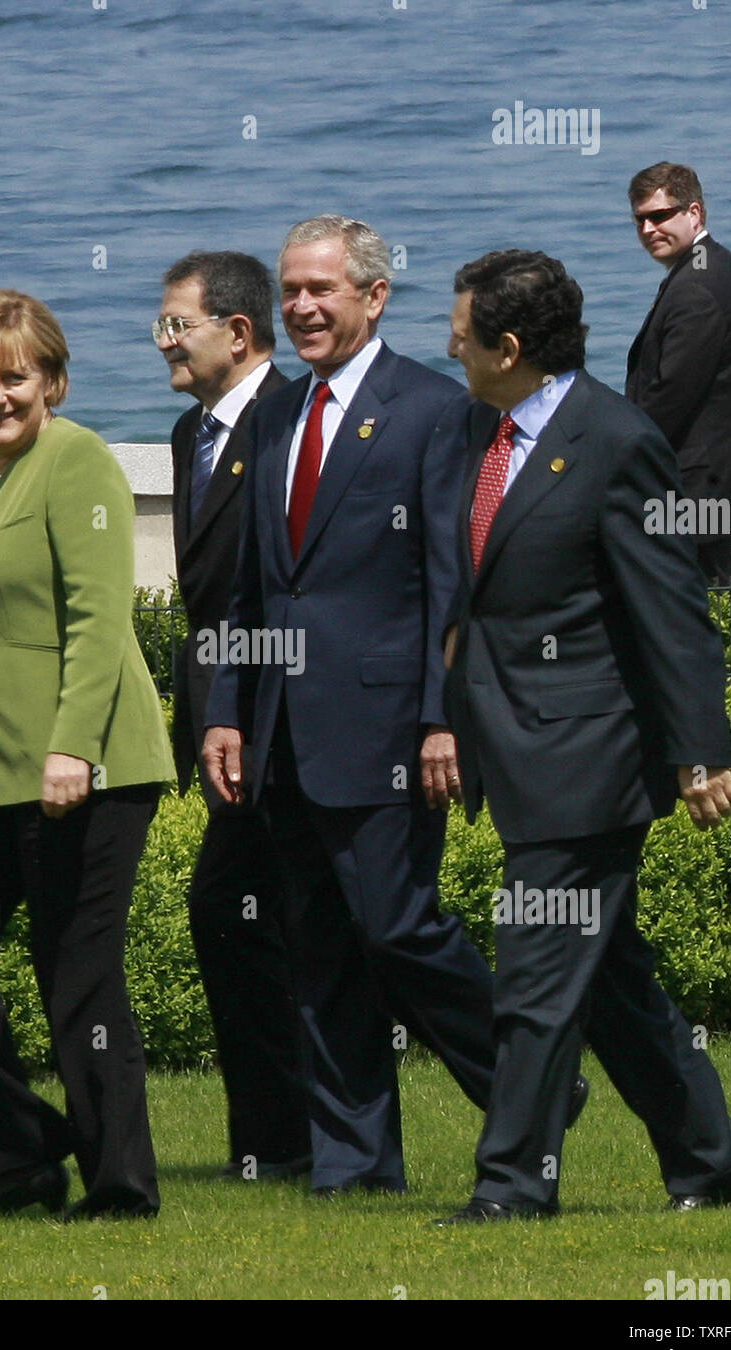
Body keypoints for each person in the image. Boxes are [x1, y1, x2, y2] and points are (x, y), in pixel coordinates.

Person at [203, 216, 584, 1195]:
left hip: (389, 728)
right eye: (290, 289)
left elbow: (451, 582)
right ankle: (356, 1161)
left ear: (375, 296)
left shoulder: (429, 409)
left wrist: (441, 716)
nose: (300, 307)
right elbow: (255, 587)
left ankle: (531, 1084)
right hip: (285, 728)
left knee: (398, 927)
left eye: (321, 289)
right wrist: (226, 708)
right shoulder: (277, 417)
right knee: (320, 947)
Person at [439, 248, 731, 1222]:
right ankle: (717, 1167)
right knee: (613, 984)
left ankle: (511, 1187)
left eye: (462, 330)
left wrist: (701, 746)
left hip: (590, 760)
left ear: (508, 345)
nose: (449, 342)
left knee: (535, 977)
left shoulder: (617, 439)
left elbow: (671, 608)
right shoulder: (479, 429)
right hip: (518, 747)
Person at [0, 289, 175, 1220]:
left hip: (88, 766)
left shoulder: (79, 461)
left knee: (77, 978)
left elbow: (100, 622)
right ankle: (21, 1153)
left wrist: (72, 750)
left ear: (51, 379)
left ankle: (121, 1186)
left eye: (14, 377)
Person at [156, 250, 308, 1179]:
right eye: (163, 327)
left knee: (248, 909)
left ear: (238, 333)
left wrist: (242, 710)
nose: (165, 342)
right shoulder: (190, 433)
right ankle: (274, 1140)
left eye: (179, 326)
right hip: (224, 711)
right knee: (252, 915)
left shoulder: (291, 423)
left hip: (278, 710)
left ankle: (280, 1138)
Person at [625, 162, 731, 583]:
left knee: (691, 612)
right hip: (713, 485)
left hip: (703, 488)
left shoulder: (698, 284)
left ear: (694, 212)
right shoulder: (705, 266)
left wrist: (612, 448)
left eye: (659, 216)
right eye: (639, 219)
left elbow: (669, 395)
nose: (647, 229)